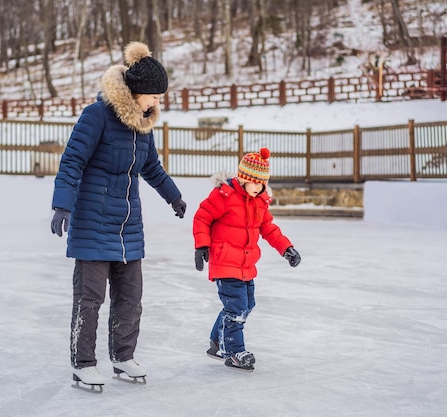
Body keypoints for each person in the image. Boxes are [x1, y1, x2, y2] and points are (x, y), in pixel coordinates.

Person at [50, 41, 187, 389]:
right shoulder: (97, 116)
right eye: (154, 96)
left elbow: (152, 168)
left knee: (130, 299)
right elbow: (73, 161)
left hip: (128, 227)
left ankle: (123, 357)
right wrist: (62, 203)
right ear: (138, 91)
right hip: (93, 223)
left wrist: (174, 197)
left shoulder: (142, 126)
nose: (158, 102)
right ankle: (83, 362)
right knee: (90, 300)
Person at [192, 147, 301, 371]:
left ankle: (216, 340)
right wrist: (202, 245)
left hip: (246, 264)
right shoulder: (224, 195)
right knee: (237, 308)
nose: (259, 187)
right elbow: (202, 217)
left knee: (246, 305)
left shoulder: (260, 201)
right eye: (255, 182)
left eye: (263, 183)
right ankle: (233, 352)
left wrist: (286, 248)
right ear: (243, 179)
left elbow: (269, 228)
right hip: (224, 263)